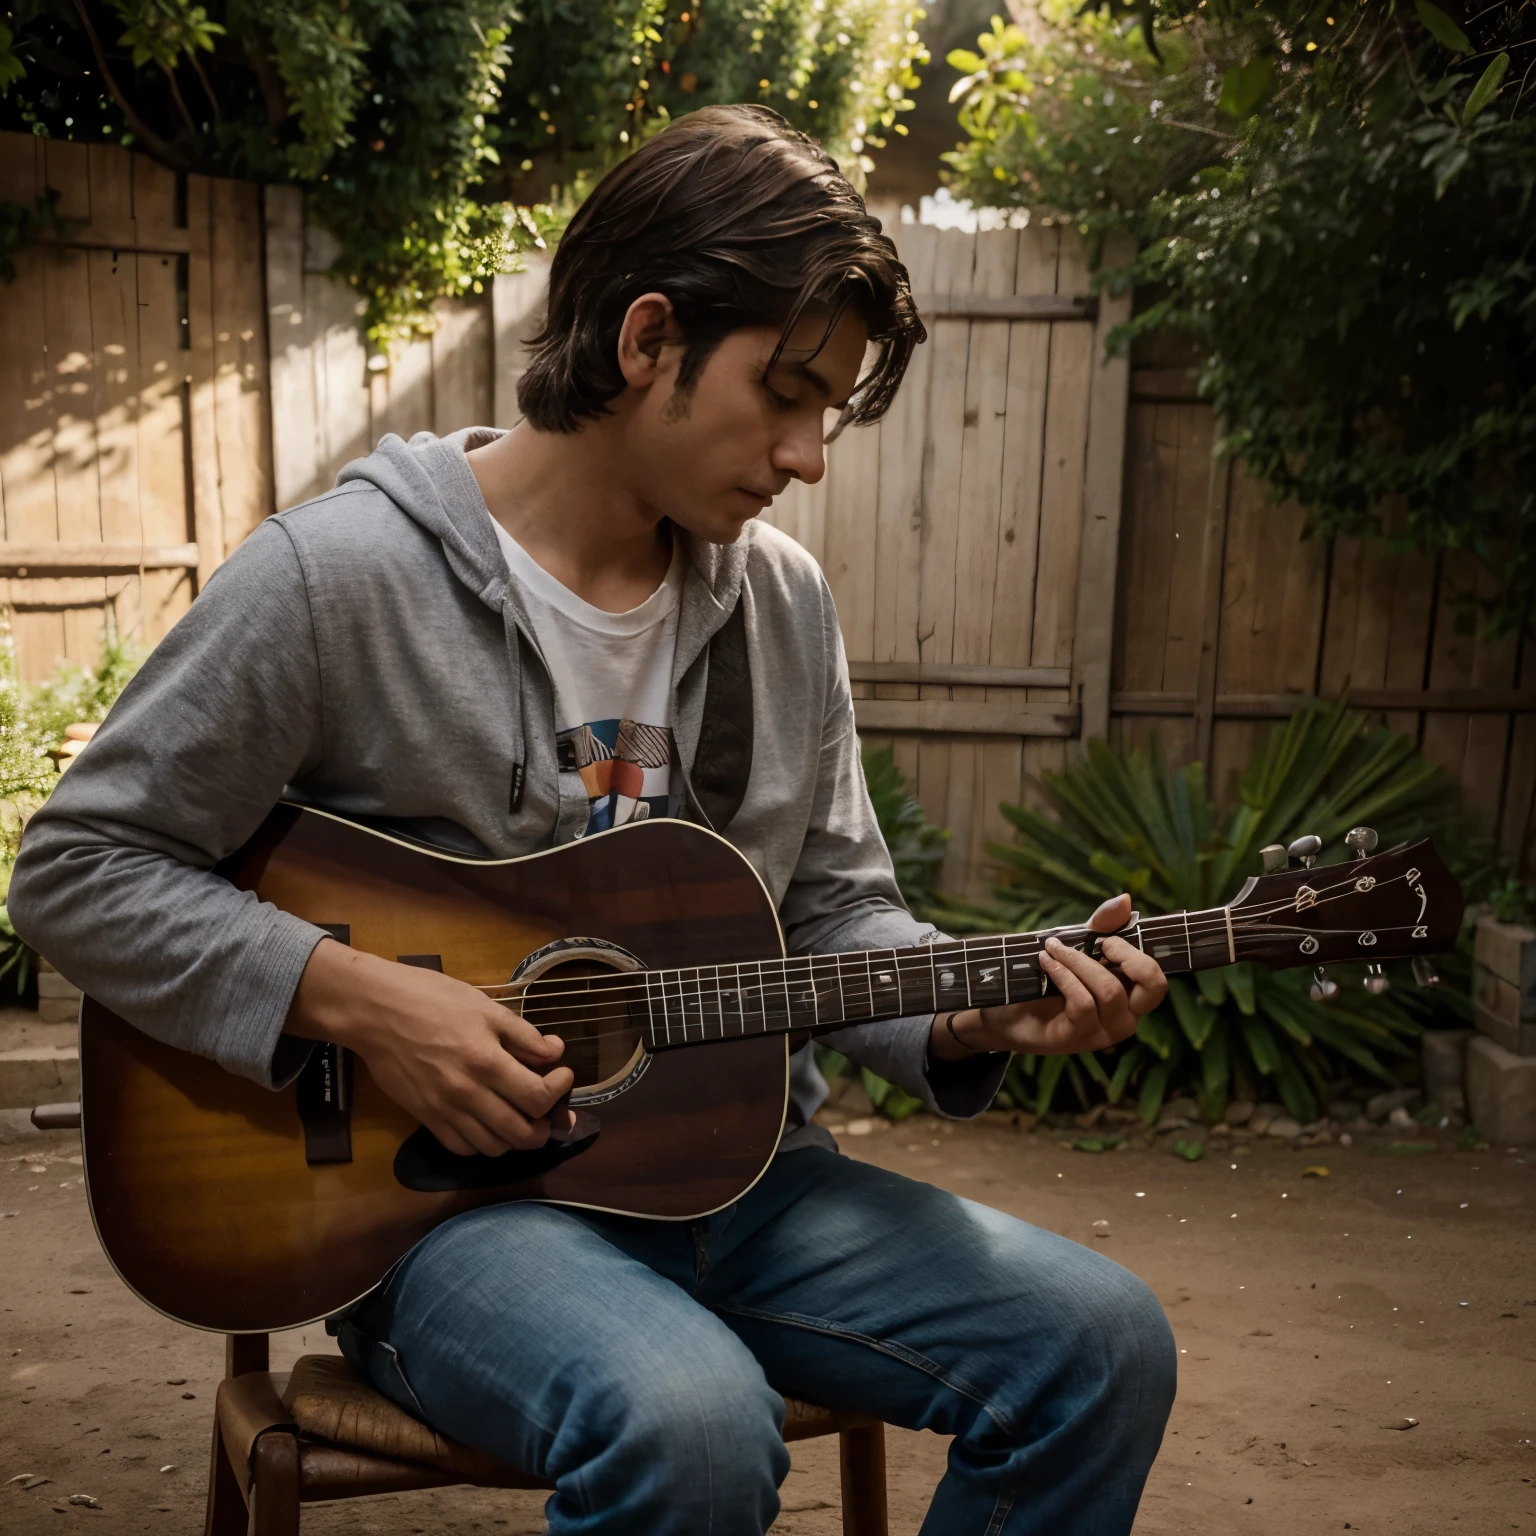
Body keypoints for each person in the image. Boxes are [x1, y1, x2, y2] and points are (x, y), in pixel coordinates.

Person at [8, 105, 1176, 1534]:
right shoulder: (339, 578)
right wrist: (366, 1003)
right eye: (787, 394)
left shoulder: (780, 605)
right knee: (685, 1423)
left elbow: (832, 914)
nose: (809, 454)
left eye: (830, 412)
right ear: (646, 342)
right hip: (447, 1225)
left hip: (746, 1184)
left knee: (1100, 1344)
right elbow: (77, 867)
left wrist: (967, 1020)